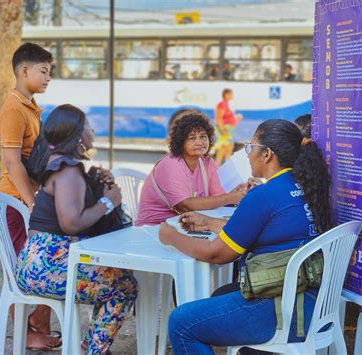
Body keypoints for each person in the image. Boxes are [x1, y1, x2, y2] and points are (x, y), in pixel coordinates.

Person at [159, 119, 332, 354]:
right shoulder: (308, 186)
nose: (247, 154)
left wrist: (170, 236)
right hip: (313, 301)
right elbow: (269, 232)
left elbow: (216, 253)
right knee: (222, 294)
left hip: (283, 310)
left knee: (181, 322)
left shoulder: (263, 195)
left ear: (267, 154)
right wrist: (210, 223)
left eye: (251, 147)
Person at [16, 104, 138, 354]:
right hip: (48, 266)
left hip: (34, 263)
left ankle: (92, 345)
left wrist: (98, 187)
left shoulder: (56, 162)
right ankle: (92, 349)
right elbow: (71, 223)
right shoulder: (68, 169)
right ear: (77, 134)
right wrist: (108, 202)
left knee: (116, 275)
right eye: (88, 127)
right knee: (124, 286)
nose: (92, 132)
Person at [0, 42, 60, 350]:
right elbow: (11, 162)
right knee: (20, 270)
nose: (48, 78)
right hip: (13, 203)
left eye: (50, 72)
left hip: (27, 200)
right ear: (24, 71)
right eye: (43, 71)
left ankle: (41, 319)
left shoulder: (30, 106)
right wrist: (32, 205)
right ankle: (26, 333)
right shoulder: (13, 110)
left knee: (48, 261)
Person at [135, 109, 246, 226]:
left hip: (185, 225)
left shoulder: (208, 163)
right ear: (180, 142)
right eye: (192, 138)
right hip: (153, 228)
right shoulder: (170, 165)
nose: (199, 142)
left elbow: (218, 198)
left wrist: (239, 193)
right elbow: (186, 205)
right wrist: (230, 198)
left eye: (203, 136)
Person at [214, 88, 243, 166]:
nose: (232, 96)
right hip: (223, 129)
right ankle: (226, 165)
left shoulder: (225, 104)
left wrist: (235, 118)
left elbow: (226, 117)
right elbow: (219, 118)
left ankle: (219, 166)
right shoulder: (222, 104)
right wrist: (223, 130)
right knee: (229, 146)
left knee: (223, 147)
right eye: (231, 94)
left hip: (226, 129)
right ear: (226, 95)